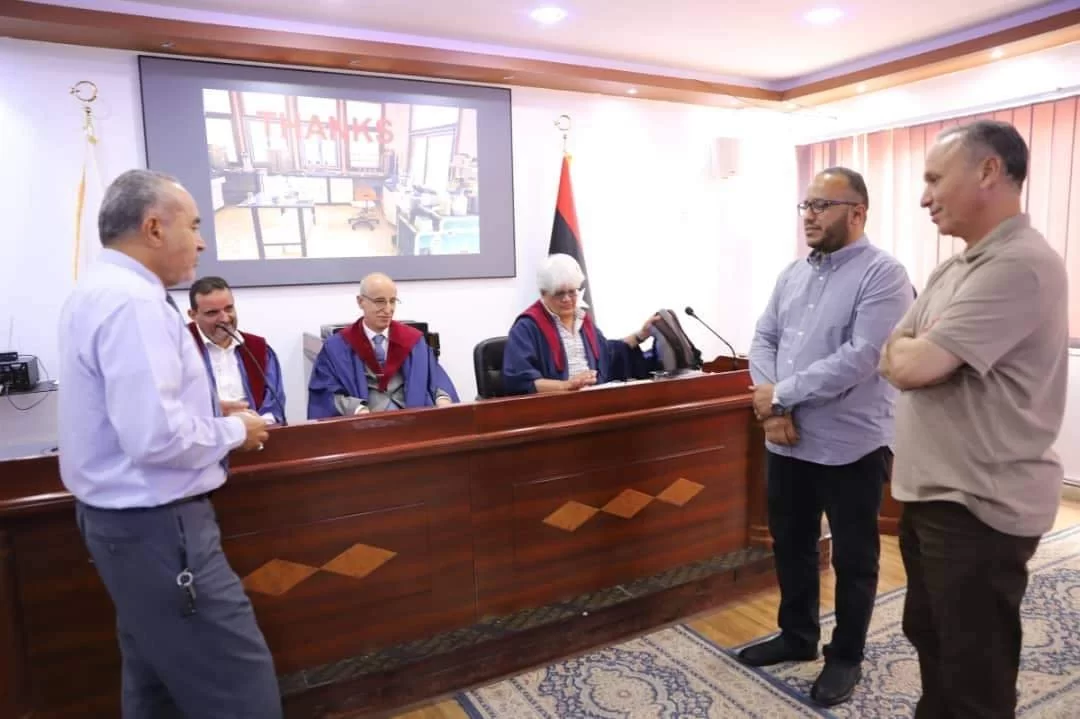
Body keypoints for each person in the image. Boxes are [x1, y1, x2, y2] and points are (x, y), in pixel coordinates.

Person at [56, 169, 281, 718]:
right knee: (239, 686)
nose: (202, 242)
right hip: (160, 528)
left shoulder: (95, 289)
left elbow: (127, 410)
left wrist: (207, 408)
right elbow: (156, 439)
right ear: (154, 228)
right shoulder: (134, 303)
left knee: (155, 685)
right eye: (195, 225)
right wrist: (237, 431)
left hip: (124, 527)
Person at [879, 120, 1068, 719]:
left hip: (979, 504)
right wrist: (918, 349)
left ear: (989, 171)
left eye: (935, 179)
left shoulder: (1019, 265)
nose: (924, 197)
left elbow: (913, 365)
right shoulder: (955, 268)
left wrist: (922, 350)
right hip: (936, 494)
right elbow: (892, 352)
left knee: (974, 675)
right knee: (932, 640)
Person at [740, 167, 913, 706]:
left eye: (822, 205)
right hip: (787, 438)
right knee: (791, 543)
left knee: (854, 558)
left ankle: (846, 657)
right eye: (806, 205)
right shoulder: (792, 273)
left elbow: (861, 358)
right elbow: (764, 337)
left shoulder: (884, 275)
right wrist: (773, 407)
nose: (809, 215)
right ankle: (798, 636)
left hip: (849, 444)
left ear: (857, 212)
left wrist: (781, 395)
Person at [307, 272, 459, 417]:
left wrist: (443, 399)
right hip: (365, 423)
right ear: (361, 302)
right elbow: (325, 391)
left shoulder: (413, 341)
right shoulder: (337, 347)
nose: (388, 309)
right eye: (380, 301)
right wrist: (356, 409)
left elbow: (436, 378)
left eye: (392, 301)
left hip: (412, 419)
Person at [502, 253, 657, 394]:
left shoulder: (583, 321)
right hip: (554, 405)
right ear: (543, 293)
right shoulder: (527, 327)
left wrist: (641, 335)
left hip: (593, 399)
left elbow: (608, 353)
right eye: (559, 294)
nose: (567, 299)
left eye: (572, 292)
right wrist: (567, 385)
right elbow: (520, 381)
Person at [187, 276, 287, 424]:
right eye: (212, 313)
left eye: (229, 309)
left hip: (257, 432)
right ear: (193, 315)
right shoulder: (180, 350)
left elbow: (273, 405)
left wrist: (258, 425)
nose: (225, 319)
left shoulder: (257, 349)